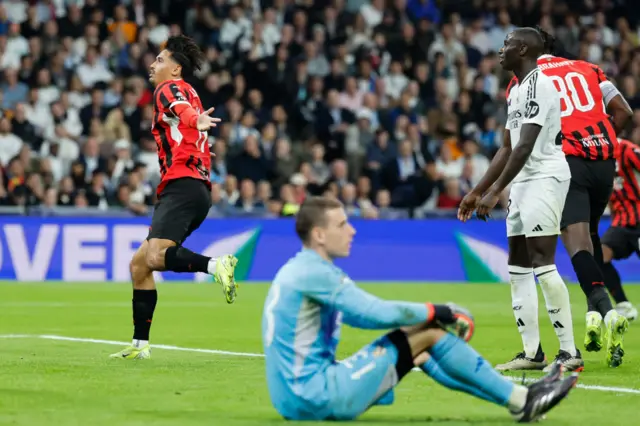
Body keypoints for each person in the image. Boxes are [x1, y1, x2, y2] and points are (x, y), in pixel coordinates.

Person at [262, 196, 578, 423]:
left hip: (293, 400)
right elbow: (374, 313)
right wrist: (439, 310)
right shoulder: (314, 272)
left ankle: (519, 399)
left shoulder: (298, 269)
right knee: (427, 333)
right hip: (316, 396)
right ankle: (523, 401)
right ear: (319, 234)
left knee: (420, 351)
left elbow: (361, 316)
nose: (352, 230)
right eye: (343, 224)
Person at [458, 28, 582, 373]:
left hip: (544, 178)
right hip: (523, 181)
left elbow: (526, 146)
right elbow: (508, 147)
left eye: (507, 44)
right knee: (518, 268)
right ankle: (532, 353)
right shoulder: (516, 90)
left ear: (523, 49)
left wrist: (496, 192)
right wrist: (476, 191)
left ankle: (569, 352)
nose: (500, 50)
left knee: (543, 261)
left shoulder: (541, 84)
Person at [110, 35, 238, 360]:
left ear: (176, 68)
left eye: (160, 60)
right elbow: (184, 112)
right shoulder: (189, 91)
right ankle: (141, 346)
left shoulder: (167, 89)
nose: (153, 65)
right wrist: (196, 118)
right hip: (195, 188)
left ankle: (214, 264)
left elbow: (180, 111)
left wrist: (196, 119)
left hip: (182, 183)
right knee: (139, 265)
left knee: (155, 257)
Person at [600, 138, 640, 321]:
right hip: (622, 222)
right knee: (600, 255)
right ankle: (623, 304)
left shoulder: (627, 149)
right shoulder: (595, 154)